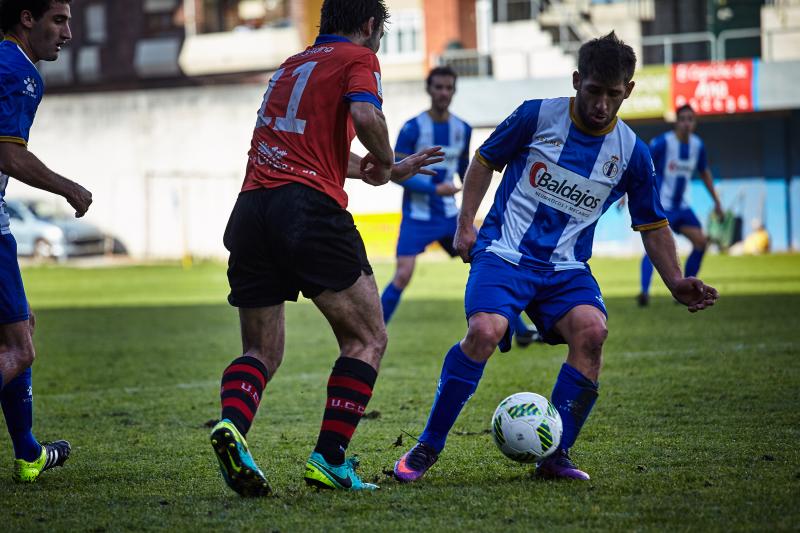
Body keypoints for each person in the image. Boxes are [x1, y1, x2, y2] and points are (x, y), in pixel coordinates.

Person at [393, 32, 718, 483]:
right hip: (505, 252)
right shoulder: (535, 115)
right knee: (485, 331)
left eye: (613, 94)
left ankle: (556, 455)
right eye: (593, 91)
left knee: (593, 332)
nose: (602, 104)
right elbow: (484, 161)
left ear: (629, 91)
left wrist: (676, 280)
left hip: (566, 268)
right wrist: (466, 223)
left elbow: (653, 223)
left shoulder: (632, 153)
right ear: (576, 80)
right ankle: (428, 446)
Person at [209, 0, 443, 495]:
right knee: (367, 339)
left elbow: (312, 147)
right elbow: (364, 114)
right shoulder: (357, 58)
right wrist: (391, 161)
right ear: (367, 26)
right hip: (308, 213)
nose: (377, 44)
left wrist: (368, 168)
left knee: (260, 350)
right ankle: (329, 458)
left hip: (252, 209)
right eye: (378, 35)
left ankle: (232, 425)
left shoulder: (291, 66)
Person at [380, 66, 541, 346]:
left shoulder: (462, 129)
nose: (443, 92)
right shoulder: (412, 128)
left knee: (488, 259)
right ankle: (375, 330)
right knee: (403, 274)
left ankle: (520, 328)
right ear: (429, 89)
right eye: (438, 87)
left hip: (449, 217)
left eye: (448, 87)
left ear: (454, 91)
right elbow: (396, 175)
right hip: (416, 217)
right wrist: (433, 188)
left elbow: (469, 170)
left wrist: (472, 208)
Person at [0, 0, 92, 482]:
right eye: (59, 20)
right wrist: (69, 187)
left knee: (19, 329)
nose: (68, 33)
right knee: (20, 349)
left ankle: (29, 452)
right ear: (27, 18)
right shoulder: (20, 70)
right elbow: (9, 157)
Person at [637, 104, 723, 306]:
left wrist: (717, 202)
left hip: (683, 208)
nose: (686, 123)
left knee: (701, 242)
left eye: (690, 119)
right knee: (653, 250)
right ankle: (644, 292)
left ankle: (689, 288)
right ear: (676, 121)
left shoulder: (697, 145)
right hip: (662, 206)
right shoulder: (662, 143)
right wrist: (629, 194)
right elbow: (641, 165)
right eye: (683, 118)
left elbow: (704, 172)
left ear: (694, 123)